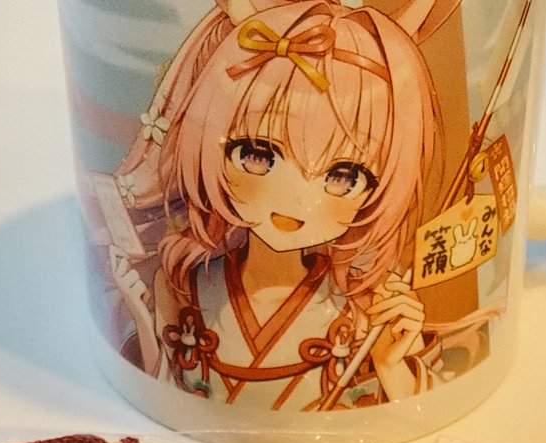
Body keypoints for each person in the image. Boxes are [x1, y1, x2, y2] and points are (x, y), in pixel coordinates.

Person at [109, 0, 446, 410]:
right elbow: (162, 390)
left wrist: (391, 365)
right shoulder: (182, 287)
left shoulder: (366, 309)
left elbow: (425, 409)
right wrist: (143, 320)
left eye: (343, 176)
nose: (297, 199)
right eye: (258, 155)